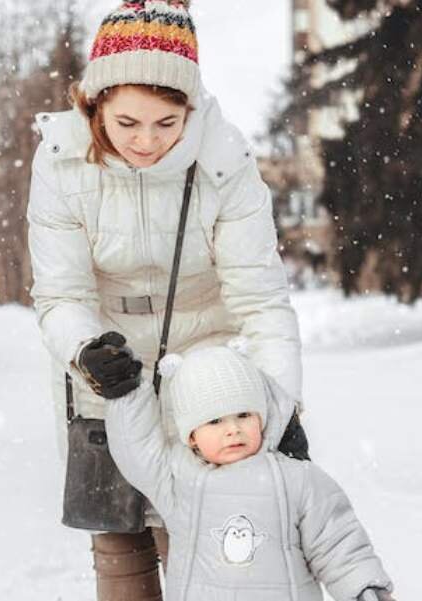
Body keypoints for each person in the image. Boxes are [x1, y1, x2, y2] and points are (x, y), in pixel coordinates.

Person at [26, 1, 306, 600]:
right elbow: (60, 293)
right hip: (108, 369)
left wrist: (280, 410)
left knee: (211, 549)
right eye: (127, 123)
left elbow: (261, 300)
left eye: (167, 123)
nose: (146, 142)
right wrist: (86, 349)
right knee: (120, 547)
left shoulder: (225, 161)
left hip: (209, 372)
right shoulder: (59, 160)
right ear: (95, 103)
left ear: (191, 110)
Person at [103, 341, 396, 601]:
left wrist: (364, 587)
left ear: (262, 417)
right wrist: (127, 396)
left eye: (243, 415)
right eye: (215, 421)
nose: (233, 430)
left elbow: (336, 542)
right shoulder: (178, 479)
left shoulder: (297, 479)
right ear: (191, 435)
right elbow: (136, 450)